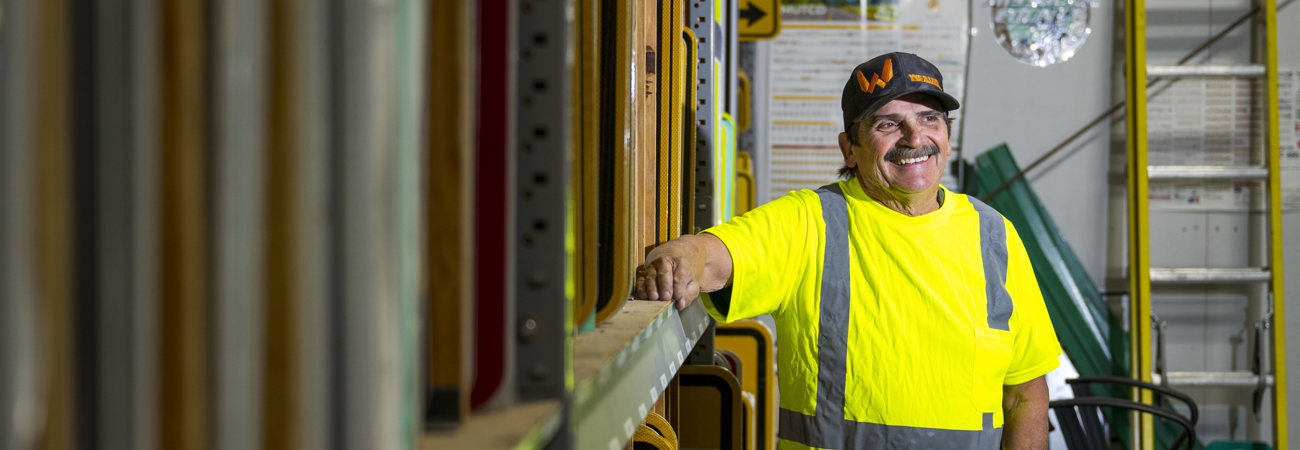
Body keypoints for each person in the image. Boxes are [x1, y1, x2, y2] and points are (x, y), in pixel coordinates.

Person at [633, 52, 1061, 449]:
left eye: (930, 118)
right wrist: (680, 256)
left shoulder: (995, 235)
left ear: (947, 136)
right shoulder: (811, 222)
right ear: (849, 149)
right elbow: (712, 256)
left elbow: (1025, 394)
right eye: (887, 124)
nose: (916, 137)